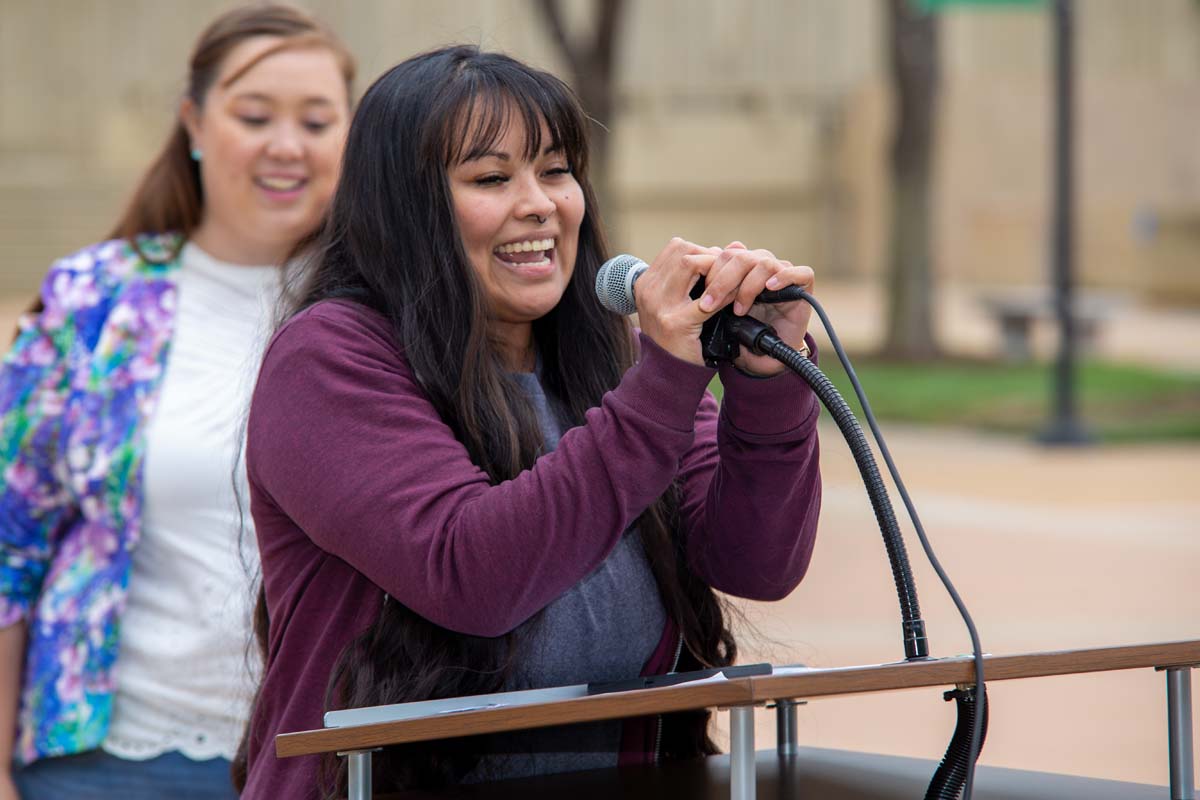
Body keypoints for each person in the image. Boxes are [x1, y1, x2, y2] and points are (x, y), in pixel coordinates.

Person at [237, 45, 822, 798]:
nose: (540, 203)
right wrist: (662, 385)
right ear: (405, 209)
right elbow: (471, 575)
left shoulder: (614, 359)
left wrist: (767, 380)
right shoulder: (326, 359)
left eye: (556, 171)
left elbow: (756, 562)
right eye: (491, 178)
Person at [0, 5, 354, 798]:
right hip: (106, 764)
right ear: (194, 123)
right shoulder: (96, 299)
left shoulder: (388, 311)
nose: (286, 145)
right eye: (254, 116)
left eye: (316, 121)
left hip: (324, 758)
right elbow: (8, 544)